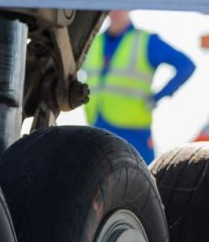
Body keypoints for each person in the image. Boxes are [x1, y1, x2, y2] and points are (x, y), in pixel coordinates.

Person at [83, 10, 196, 163]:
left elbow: (186, 65)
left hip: (133, 130)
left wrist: (159, 96)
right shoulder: (93, 43)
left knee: (142, 181)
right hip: (97, 125)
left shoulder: (145, 41)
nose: (115, 11)